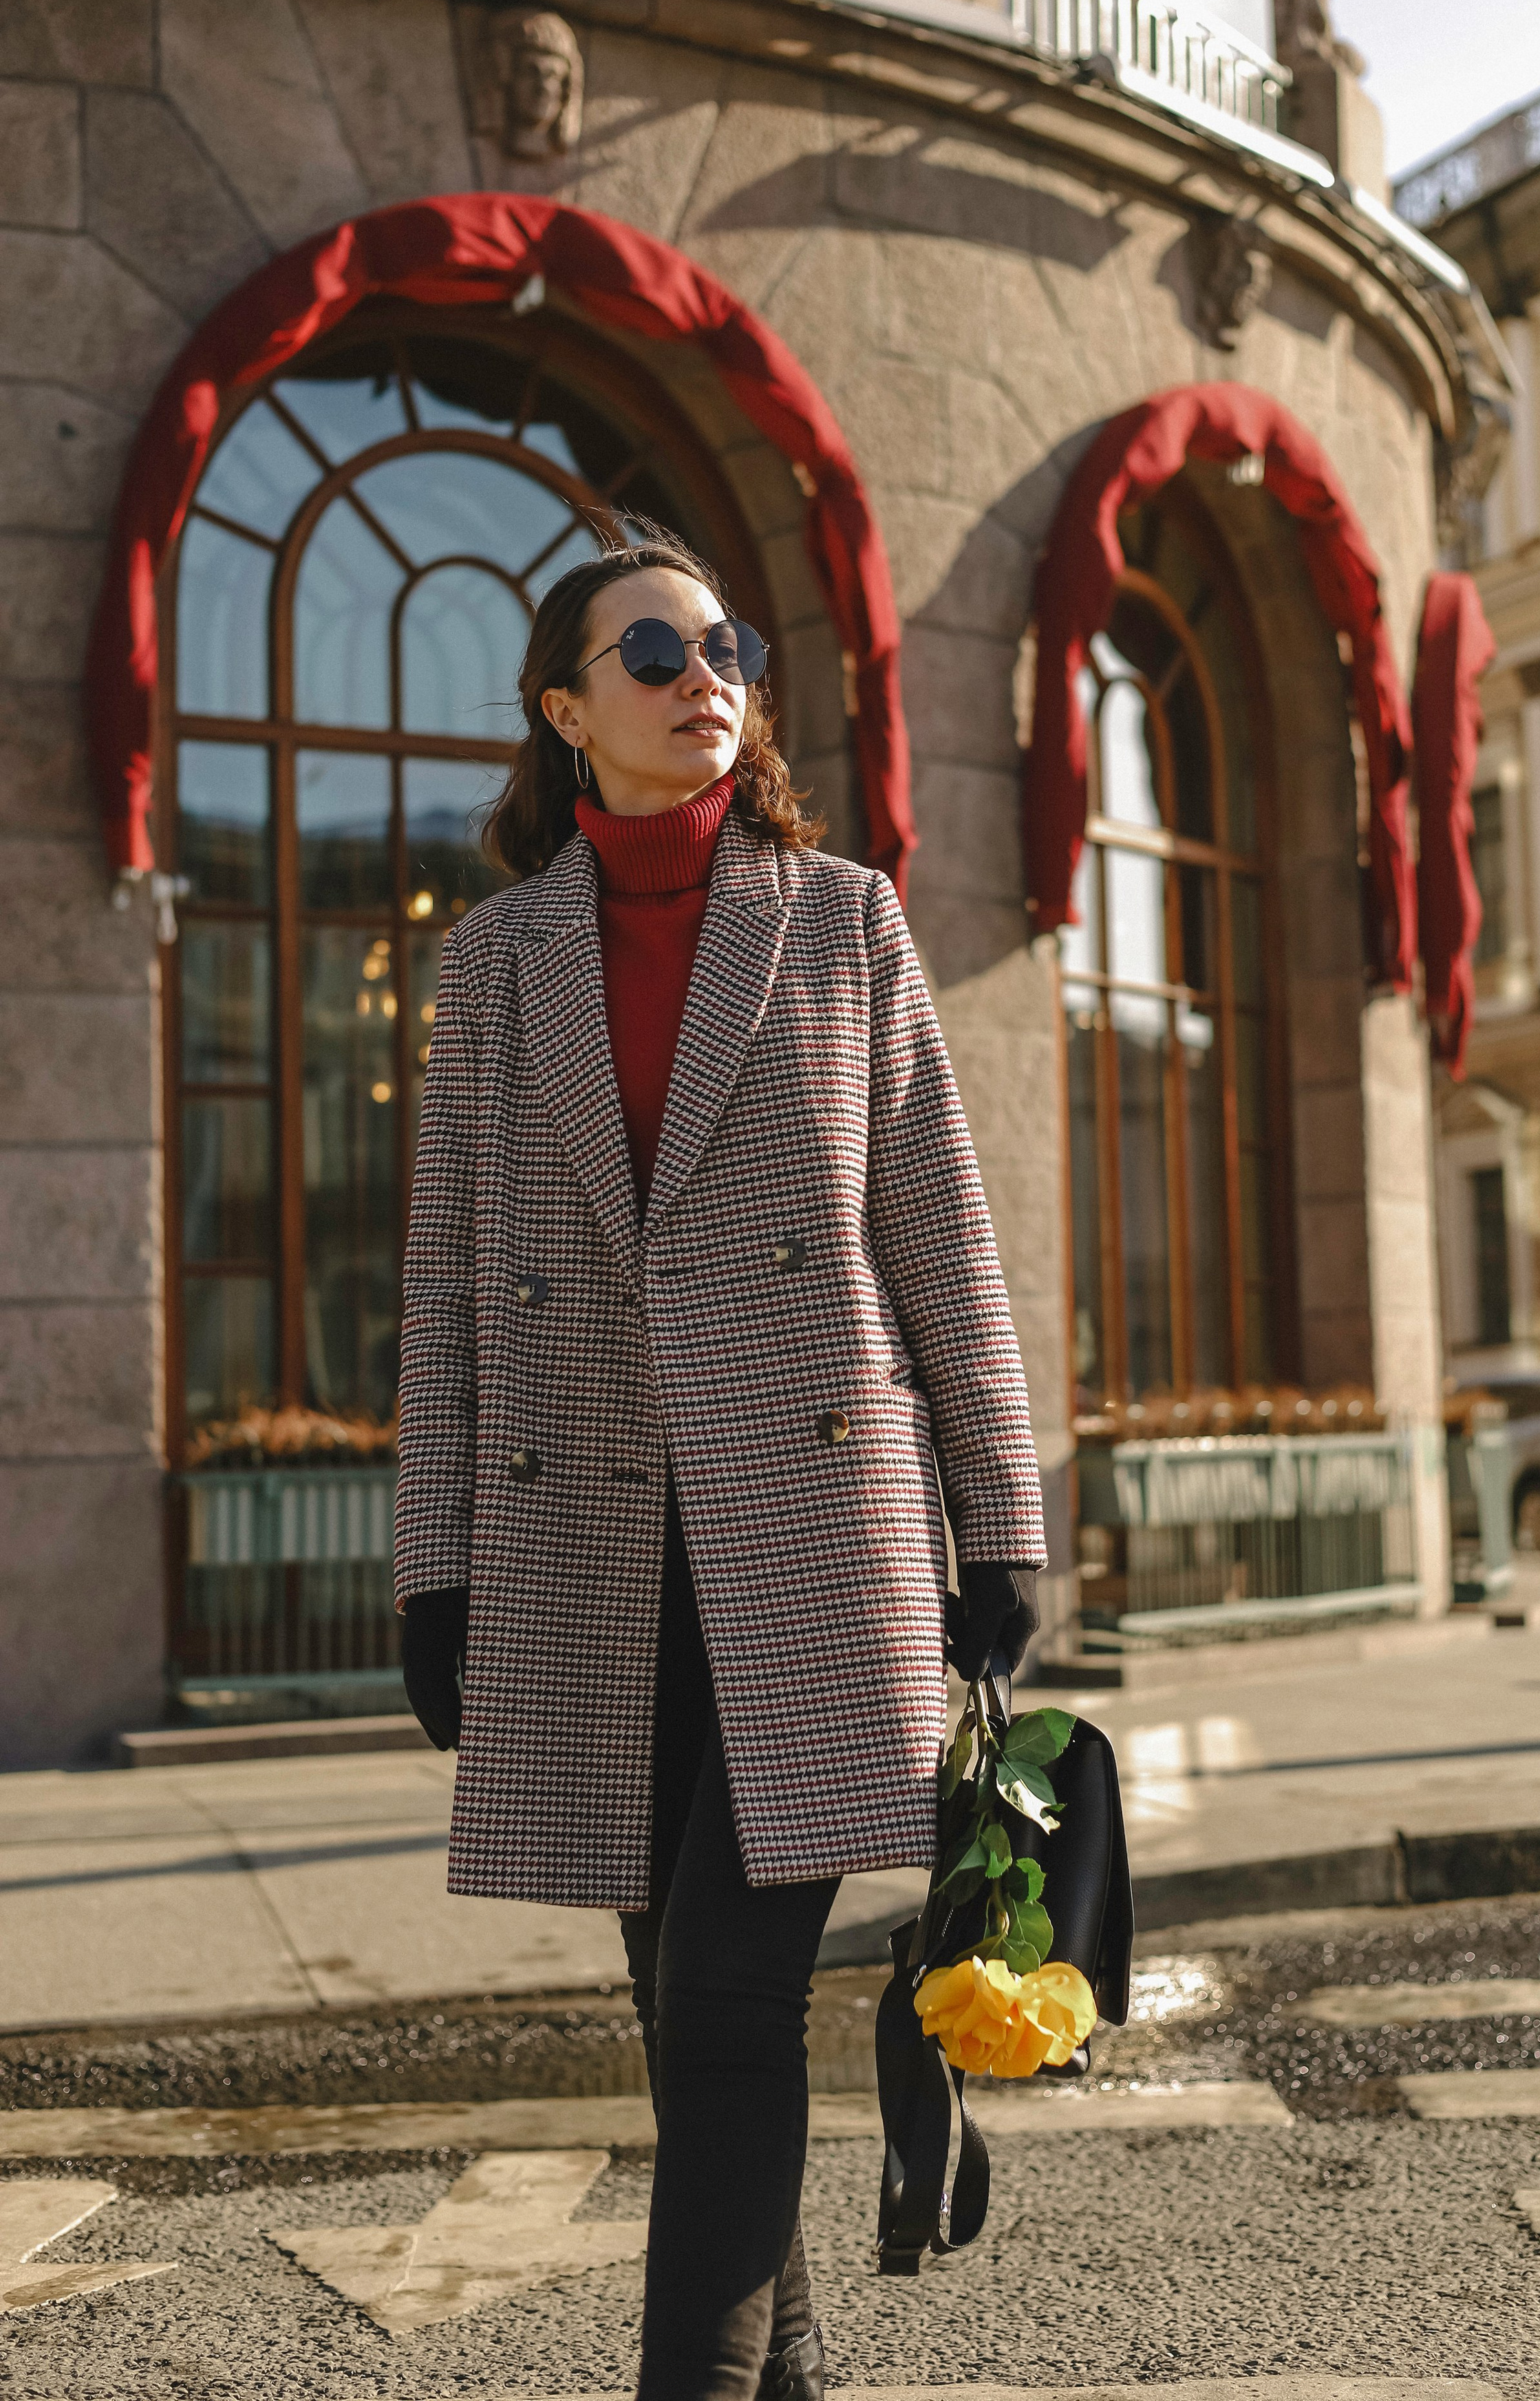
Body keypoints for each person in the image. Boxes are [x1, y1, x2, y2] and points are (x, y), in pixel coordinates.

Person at [394, 522, 1046, 2401]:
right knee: (677, 2015)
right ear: (565, 709)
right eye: (655, 650)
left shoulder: (840, 922)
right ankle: (793, 2374)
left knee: (733, 1995)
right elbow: (442, 1289)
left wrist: (1000, 1529)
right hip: (586, 1549)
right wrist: (433, 1566)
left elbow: (939, 1232)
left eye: (726, 647)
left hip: (815, 1538)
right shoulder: (493, 965)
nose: (705, 677)